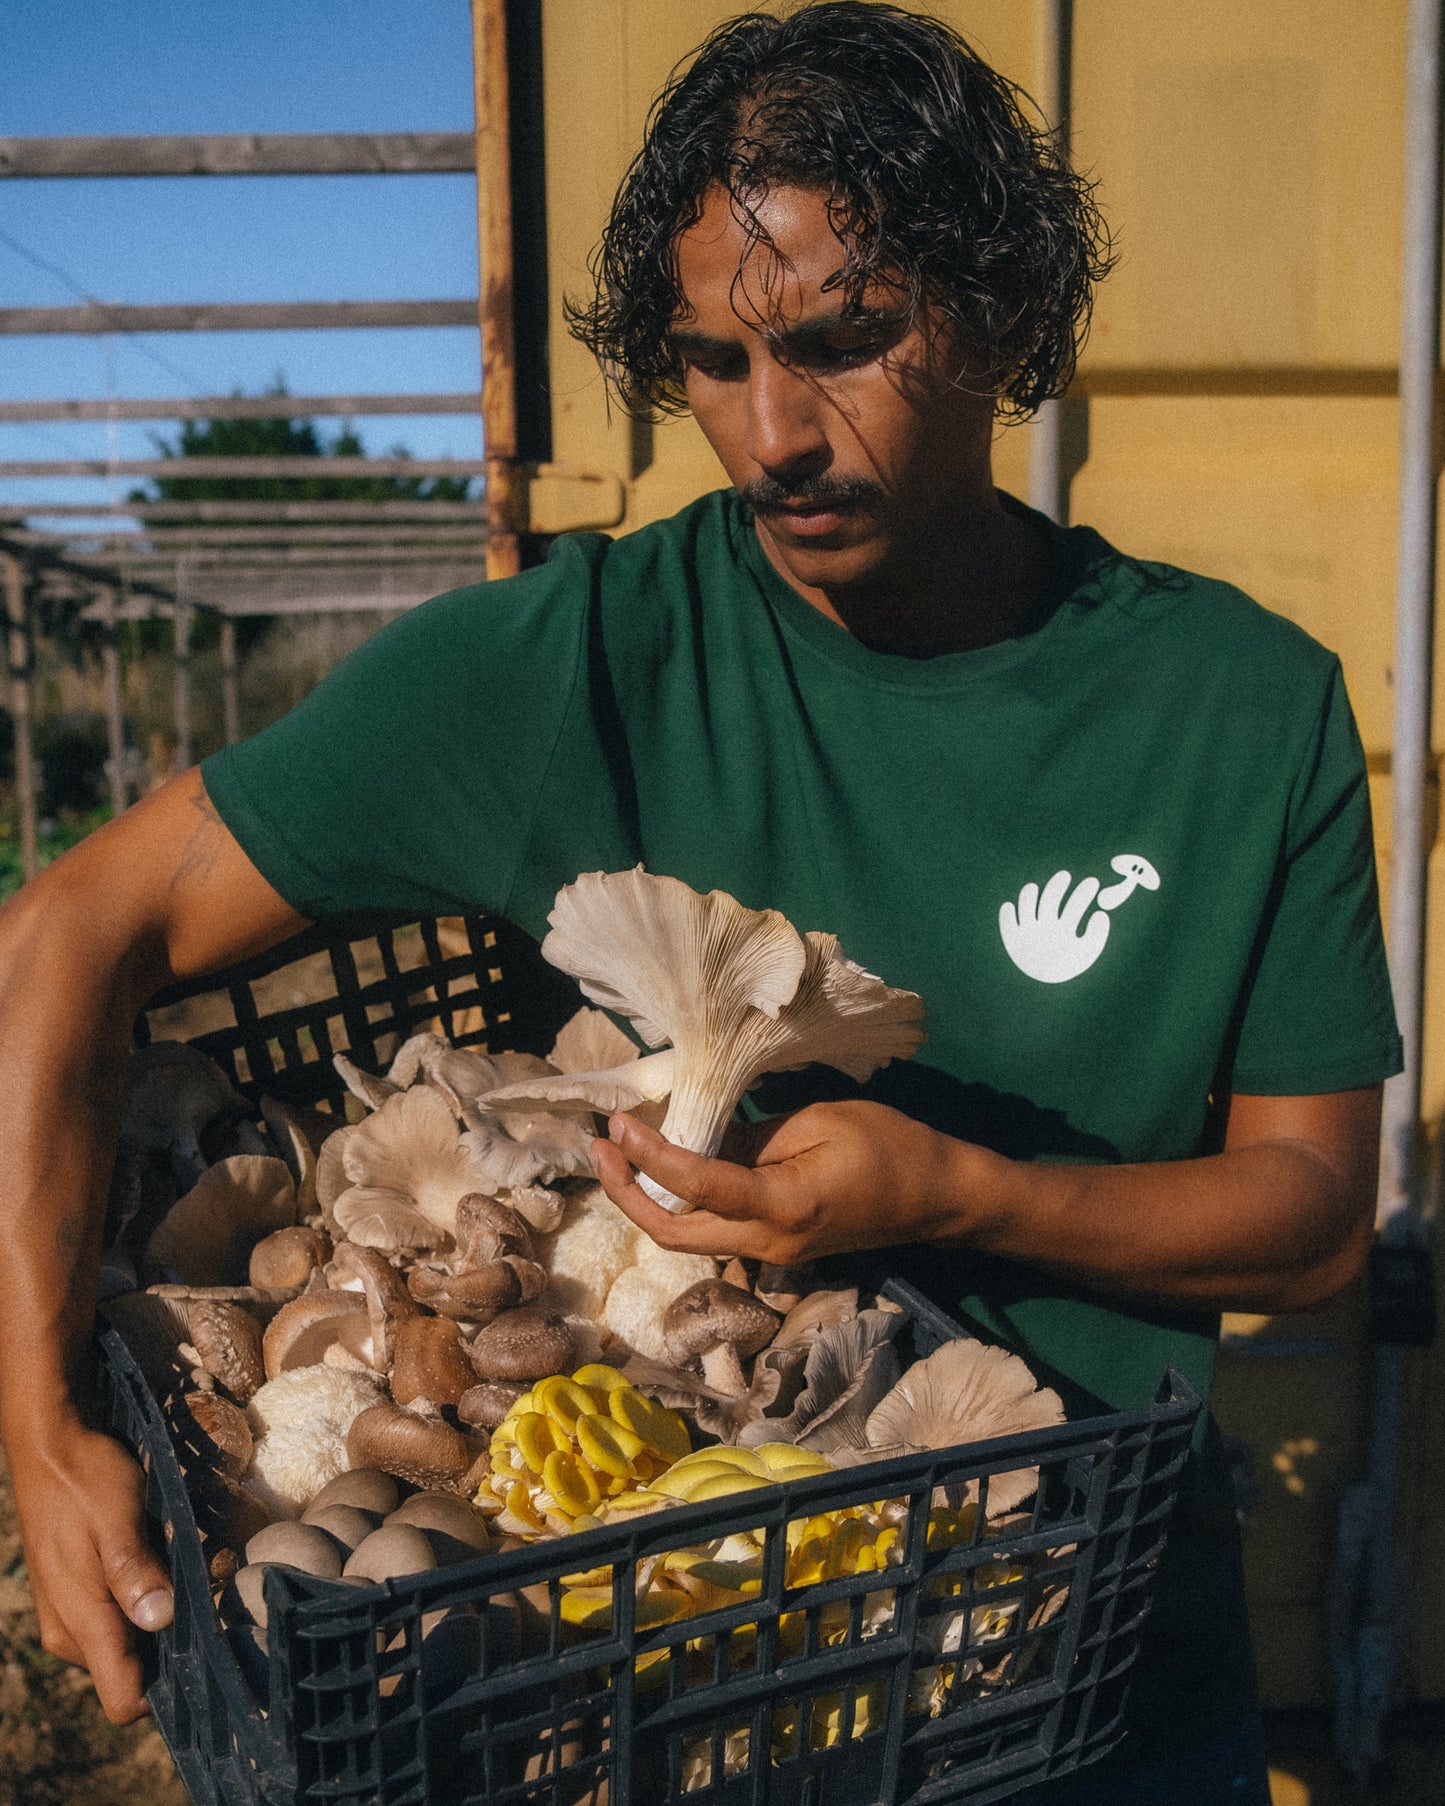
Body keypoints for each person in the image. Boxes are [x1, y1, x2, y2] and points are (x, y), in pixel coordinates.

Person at [0, 6, 1399, 1801]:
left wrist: (961, 1189)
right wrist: (39, 1427)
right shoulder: (571, 664)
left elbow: (1307, 1217)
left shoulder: (1231, 703)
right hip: (650, 1723)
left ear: (998, 306)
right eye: (713, 367)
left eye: (845, 342)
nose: (773, 437)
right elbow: (68, 928)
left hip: (1094, 1689)